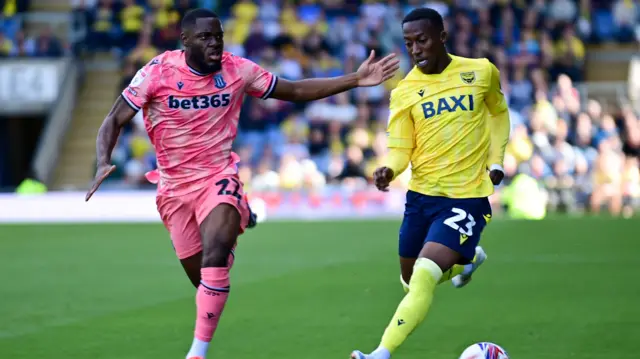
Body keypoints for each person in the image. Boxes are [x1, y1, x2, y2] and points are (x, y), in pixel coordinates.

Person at [84, 8, 399, 359]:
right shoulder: (157, 72)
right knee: (204, 277)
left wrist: (354, 80)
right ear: (185, 41)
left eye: (218, 35)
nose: (215, 42)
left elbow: (293, 90)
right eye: (205, 37)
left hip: (217, 175)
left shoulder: (238, 69)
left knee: (216, 254)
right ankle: (237, 217)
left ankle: (197, 352)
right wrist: (102, 161)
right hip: (173, 189)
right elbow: (114, 118)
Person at [351, 8, 510, 359]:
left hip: (467, 197)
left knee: (423, 276)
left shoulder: (480, 71)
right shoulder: (405, 91)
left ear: (442, 36)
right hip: (422, 197)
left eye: (421, 40)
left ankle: (380, 353)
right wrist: (388, 170)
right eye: (408, 43)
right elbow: (400, 149)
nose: (415, 49)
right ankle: (466, 260)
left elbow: (498, 112)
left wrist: (496, 159)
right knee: (410, 281)